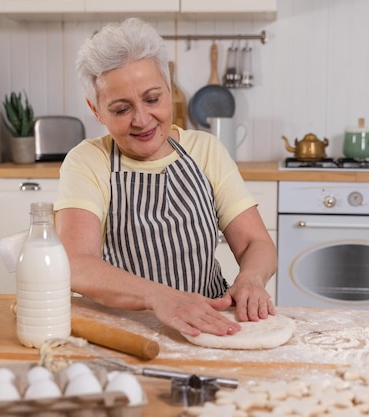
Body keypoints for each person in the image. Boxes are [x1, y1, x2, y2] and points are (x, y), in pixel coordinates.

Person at [54, 17, 277, 337]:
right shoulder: (88, 161)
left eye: (153, 99)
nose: (142, 120)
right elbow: (75, 263)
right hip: (127, 331)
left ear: (169, 90)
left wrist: (251, 278)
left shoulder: (206, 151)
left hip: (211, 325)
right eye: (120, 109)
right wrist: (160, 298)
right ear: (96, 110)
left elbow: (257, 242)